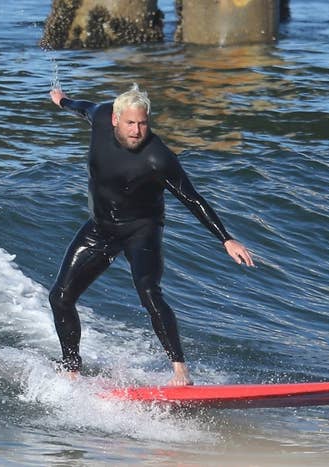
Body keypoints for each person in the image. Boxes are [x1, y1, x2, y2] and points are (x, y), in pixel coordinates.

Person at [48, 83, 254, 386]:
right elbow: (83, 107)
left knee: (148, 290)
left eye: (143, 123)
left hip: (141, 229)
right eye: (131, 123)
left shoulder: (159, 158)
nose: (136, 130)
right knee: (60, 296)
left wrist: (226, 238)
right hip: (101, 227)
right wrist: (63, 100)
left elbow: (192, 198)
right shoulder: (102, 115)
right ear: (116, 120)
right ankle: (72, 369)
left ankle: (181, 372)